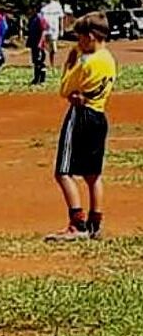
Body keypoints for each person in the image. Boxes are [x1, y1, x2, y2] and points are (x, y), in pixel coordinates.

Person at [45, 12, 116, 242]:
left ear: (91, 36)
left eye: (81, 38)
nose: (79, 42)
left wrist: (70, 63)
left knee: (63, 172)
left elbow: (65, 88)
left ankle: (77, 223)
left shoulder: (87, 62)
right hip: (99, 115)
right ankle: (95, 224)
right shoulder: (108, 59)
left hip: (80, 117)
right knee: (93, 175)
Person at [27, 6, 50, 85]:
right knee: (36, 61)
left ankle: (41, 79)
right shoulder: (32, 19)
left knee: (39, 61)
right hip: (34, 44)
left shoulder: (40, 18)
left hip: (39, 44)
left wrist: (40, 43)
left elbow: (44, 31)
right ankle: (36, 78)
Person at [41, 0, 64, 68]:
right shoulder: (43, 7)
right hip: (45, 31)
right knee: (43, 48)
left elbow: (61, 18)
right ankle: (44, 64)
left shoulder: (57, 6)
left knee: (53, 49)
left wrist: (61, 29)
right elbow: (41, 19)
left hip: (54, 30)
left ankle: (52, 64)